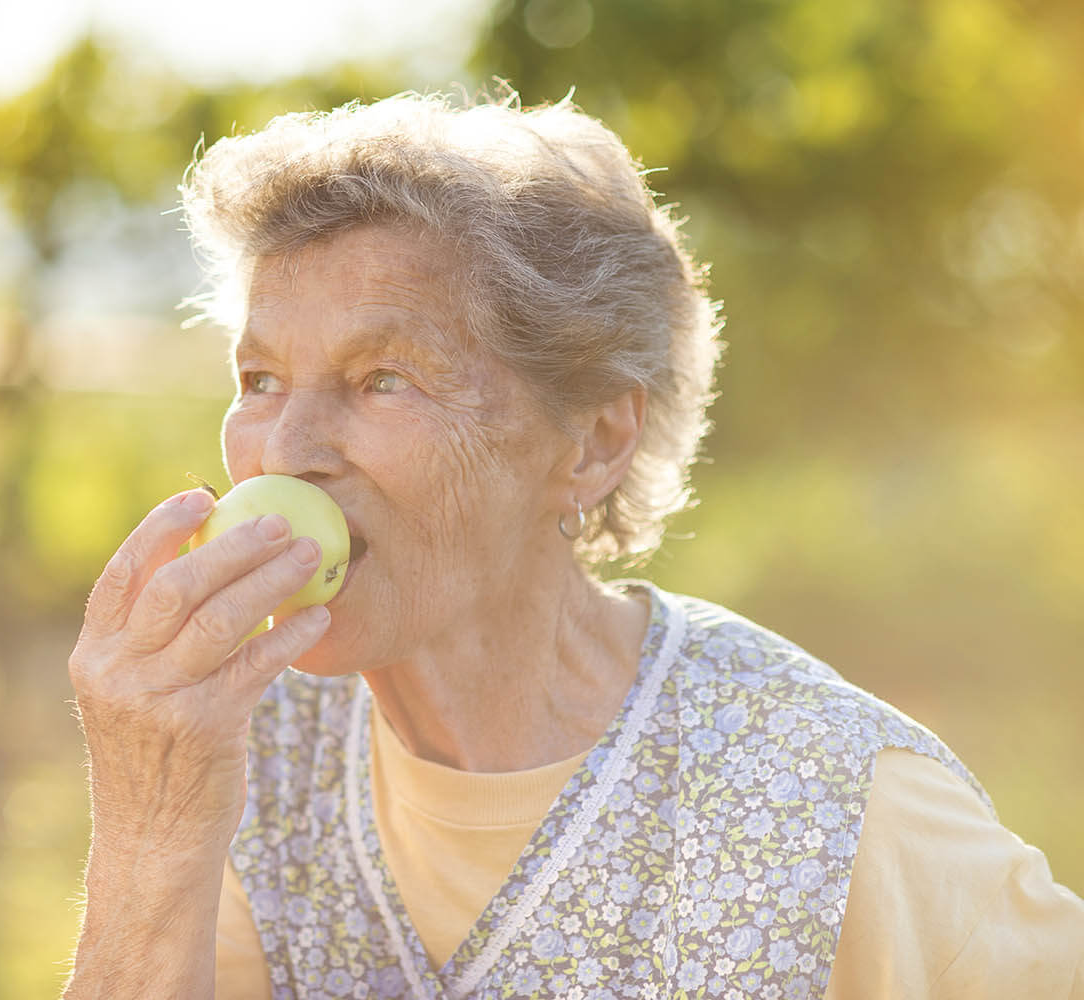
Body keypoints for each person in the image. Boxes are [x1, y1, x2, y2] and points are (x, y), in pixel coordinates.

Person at [61, 92, 1084, 999]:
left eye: (383, 379)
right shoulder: (240, 754)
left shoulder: (837, 798)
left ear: (593, 441)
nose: (283, 451)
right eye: (261, 380)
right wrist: (153, 830)